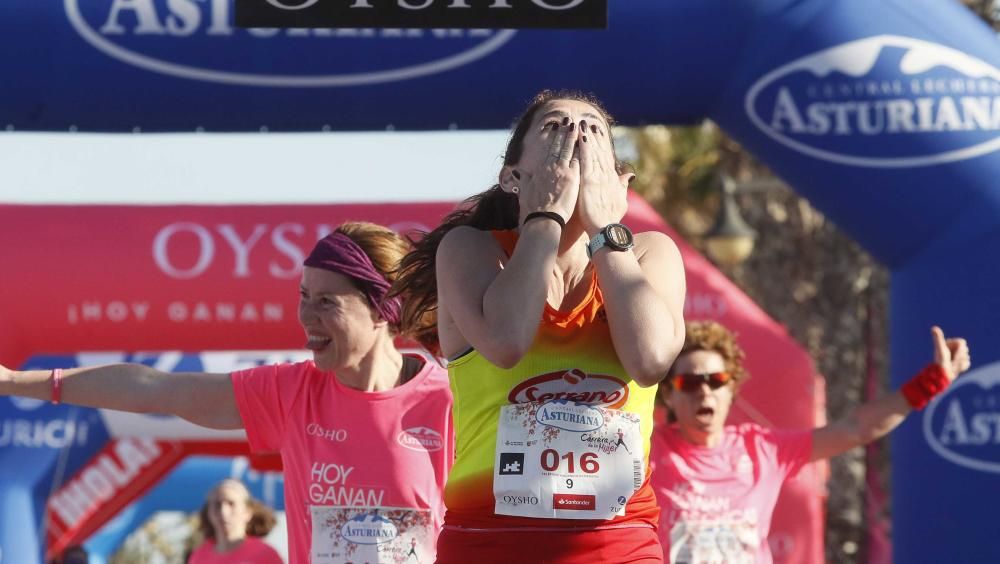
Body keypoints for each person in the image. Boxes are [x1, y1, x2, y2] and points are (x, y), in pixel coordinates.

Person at [0, 222, 454, 564]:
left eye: (326, 301)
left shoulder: (447, 400)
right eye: (303, 295)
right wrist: (13, 381)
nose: (305, 315)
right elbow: (157, 390)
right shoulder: (289, 392)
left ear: (381, 309)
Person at [394, 90, 686, 562]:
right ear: (513, 176)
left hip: (620, 544)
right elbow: (507, 342)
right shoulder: (471, 250)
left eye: (593, 129)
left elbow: (650, 360)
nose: (577, 136)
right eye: (555, 127)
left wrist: (605, 226)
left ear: (620, 178)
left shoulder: (650, 252)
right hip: (489, 543)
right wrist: (545, 217)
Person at [650, 321, 971, 563]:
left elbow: (855, 429)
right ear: (669, 395)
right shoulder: (647, 449)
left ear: (731, 389)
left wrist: (928, 384)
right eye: (689, 383)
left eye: (715, 381)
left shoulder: (762, 449)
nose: (704, 392)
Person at [189, 479, 283, 564]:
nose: (223, 512)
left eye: (231, 504)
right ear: (208, 512)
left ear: (247, 512)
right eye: (217, 505)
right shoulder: (198, 557)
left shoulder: (265, 554)